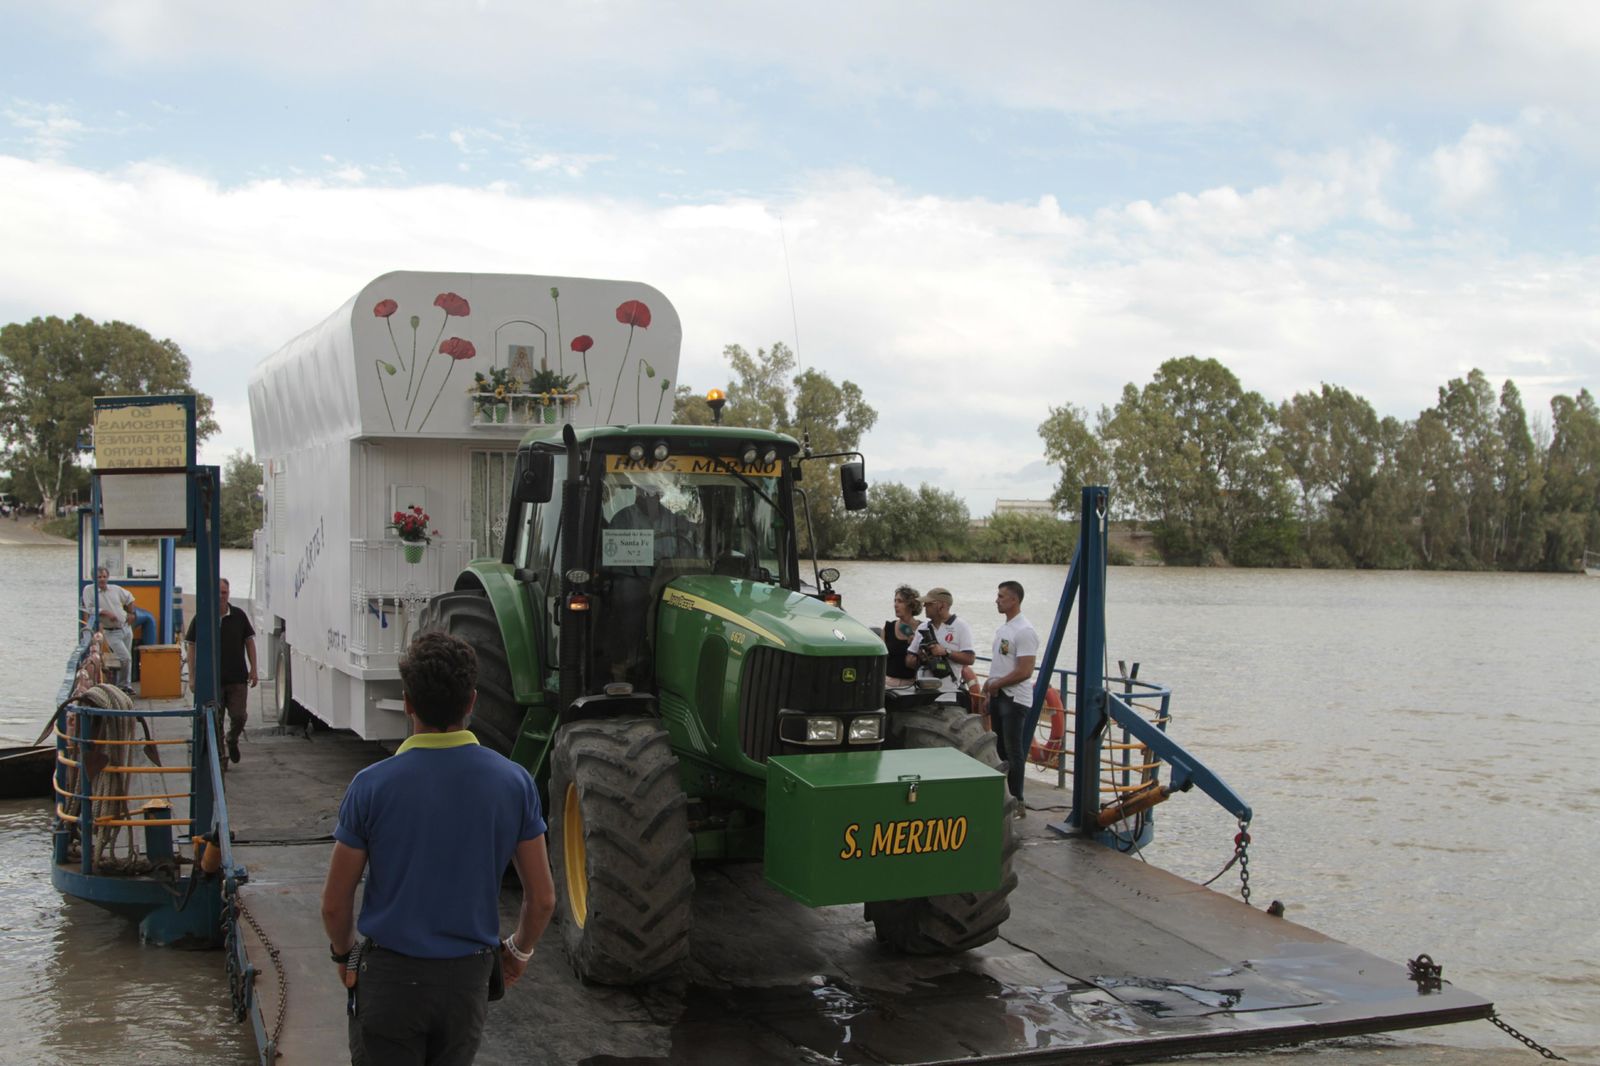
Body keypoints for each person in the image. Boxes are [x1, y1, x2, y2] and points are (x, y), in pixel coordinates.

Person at [321, 631, 556, 1066]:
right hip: (466, 984)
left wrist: (345, 953)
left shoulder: (370, 786)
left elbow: (335, 904)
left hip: (389, 982)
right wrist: (518, 952)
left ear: (407, 702)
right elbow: (541, 899)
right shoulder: (514, 783)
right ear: (472, 701)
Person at [184, 578, 258, 766]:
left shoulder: (239, 616)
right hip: (212, 680)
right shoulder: (202, 617)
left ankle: (232, 740)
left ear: (229, 593)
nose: (220, 596)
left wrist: (254, 669)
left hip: (237, 678)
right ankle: (220, 758)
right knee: (215, 720)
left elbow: (249, 642)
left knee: (239, 716)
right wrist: (192, 677)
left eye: (224, 592)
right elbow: (191, 645)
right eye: (217, 592)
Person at [981, 581, 1039, 816]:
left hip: (1015, 699)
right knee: (1001, 748)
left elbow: (1025, 671)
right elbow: (1001, 665)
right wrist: (989, 688)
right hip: (999, 694)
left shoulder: (1024, 631)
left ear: (1014, 600)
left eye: (1001, 596)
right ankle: (1004, 797)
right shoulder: (1004, 629)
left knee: (1014, 750)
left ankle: (1018, 800)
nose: (997, 600)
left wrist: (998, 684)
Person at [905, 587, 976, 701]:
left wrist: (945, 652)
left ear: (941, 606)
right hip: (921, 694)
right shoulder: (922, 628)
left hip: (948, 696)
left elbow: (970, 659)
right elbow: (908, 661)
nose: (924, 607)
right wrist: (921, 657)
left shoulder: (961, 626)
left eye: (928, 604)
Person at [81, 566, 136, 680]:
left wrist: (132, 613)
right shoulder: (89, 590)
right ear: (93, 578)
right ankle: (123, 685)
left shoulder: (115, 589)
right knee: (125, 658)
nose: (102, 579)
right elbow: (89, 608)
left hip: (125, 628)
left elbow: (130, 598)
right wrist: (105, 612)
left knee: (127, 657)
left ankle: (126, 684)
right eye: (99, 577)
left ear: (108, 577)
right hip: (111, 631)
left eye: (104, 577)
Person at [883, 585, 922, 687]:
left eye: (900, 601)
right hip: (888, 683)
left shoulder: (922, 629)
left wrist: (916, 646)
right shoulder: (888, 627)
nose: (895, 605)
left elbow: (927, 661)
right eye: (895, 601)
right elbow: (880, 659)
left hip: (912, 684)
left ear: (911, 605)